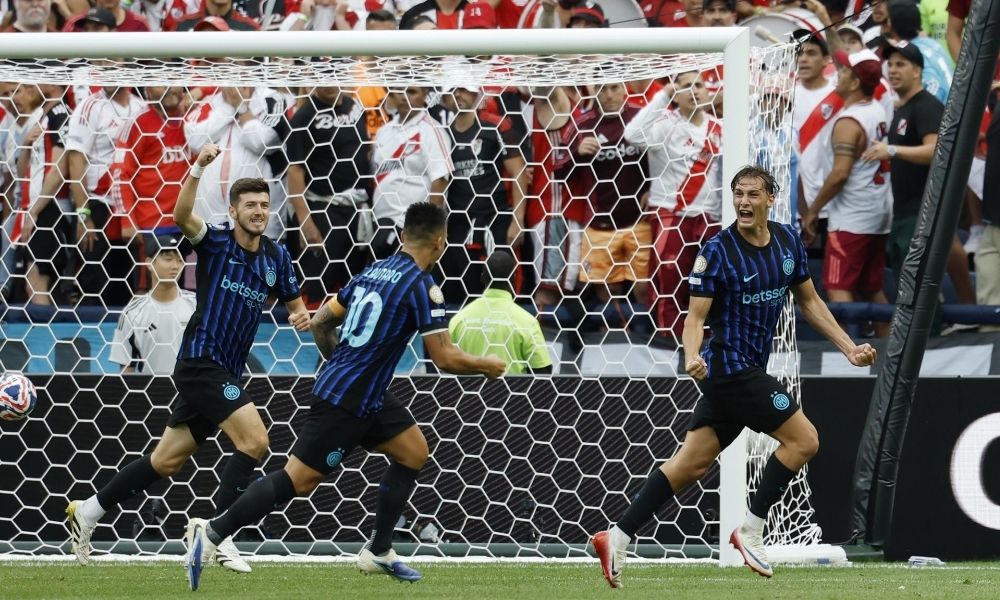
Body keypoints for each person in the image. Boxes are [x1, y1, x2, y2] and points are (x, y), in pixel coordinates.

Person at [182, 202, 506, 590]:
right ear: (440, 242)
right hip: (348, 400)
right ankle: (212, 532)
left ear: (403, 235)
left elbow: (321, 321)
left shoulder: (371, 272)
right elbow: (444, 357)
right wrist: (486, 365)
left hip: (361, 392)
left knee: (413, 451)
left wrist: (340, 363)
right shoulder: (422, 286)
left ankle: (379, 550)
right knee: (298, 480)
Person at [591, 166, 877, 586]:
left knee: (691, 464)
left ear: (770, 199)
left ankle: (616, 535)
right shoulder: (717, 251)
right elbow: (695, 318)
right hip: (728, 368)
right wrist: (691, 355)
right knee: (804, 440)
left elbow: (810, 301)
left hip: (747, 370)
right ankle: (751, 529)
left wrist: (849, 347)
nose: (743, 202)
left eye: (753, 194)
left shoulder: (787, 241)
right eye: (738, 194)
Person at [66, 144, 311, 574]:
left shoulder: (277, 257)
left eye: (263, 205)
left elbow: (296, 308)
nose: (258, 211)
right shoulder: (216, 242)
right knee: (255, 441)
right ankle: (218, 533)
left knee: (165, 461)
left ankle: (88, 511)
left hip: (225, 369)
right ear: (233, 211)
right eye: (250, 205)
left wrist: (302, 317)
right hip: (201, 362)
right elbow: (181, 216)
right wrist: (197, 167)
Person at [624, 71, 722, 342]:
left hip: (710, 219)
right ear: (675, 94)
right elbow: (632, 134)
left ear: (708, 92)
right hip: (671, 216)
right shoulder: (665, 123)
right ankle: (670, 345)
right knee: (670, 287)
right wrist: (663, 96)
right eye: (686, 86)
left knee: (710, 288)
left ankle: (708, 346)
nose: (694, 90)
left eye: (699, 85)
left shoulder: (721, 128)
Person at [803, 49, 892, 336]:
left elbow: (840, 174)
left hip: (852, 218)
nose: (837, 75)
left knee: (837, 288)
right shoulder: (876, 109)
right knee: (871, 288)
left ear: (854, 82)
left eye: (843, 71)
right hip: (877, 212)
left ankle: (849, 355)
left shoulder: (849, 122)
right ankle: (892, 351)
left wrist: (813, 210)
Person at [557, 81, 650, 308]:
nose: (608, 95)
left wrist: (654, 187)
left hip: (640, 220)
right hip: (600, 223)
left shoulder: (642, 117)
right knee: (607, 291)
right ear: (594, 92)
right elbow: (558, 171)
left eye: (614, 88)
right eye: (602, 89)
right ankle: (613, 329)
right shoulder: (582, 125)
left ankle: (648, 330)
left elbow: (667, 155)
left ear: (625, 89)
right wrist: (577, 154)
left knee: (644, 288)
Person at [441, 85, 527, 304]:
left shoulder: (496, 125)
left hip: (495, 220)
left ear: (475, 92)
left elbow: (518, 171)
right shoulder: (443, 134)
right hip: (459, 224)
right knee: (463, 289)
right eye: (453, 89)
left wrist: (517, 220)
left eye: (464, 89)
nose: (458, 94)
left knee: (500, 287)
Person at [287, 85, 372, 304]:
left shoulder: (354, 107)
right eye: (324, 76)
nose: (330, 83)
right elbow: (295, 171)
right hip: (323, 213)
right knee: (317, 289)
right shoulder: (303, 118)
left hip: (357, 211)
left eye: (334, 74)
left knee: (352, 288)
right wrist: (306, 222)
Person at [371, 86, 452, 258]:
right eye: (400, 91)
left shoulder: (431, 130)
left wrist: (429, 232)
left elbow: (439, 182)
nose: (404, 97)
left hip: (410, 230)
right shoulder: (383, 131)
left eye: (412, 92)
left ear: (425, 94)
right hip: (378, 224)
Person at [450, 251, 552, 375]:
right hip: (512, 388)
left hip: (468, 388)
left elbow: (446, 362)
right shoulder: (527, 322)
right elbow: (543, 372)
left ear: (482, 277)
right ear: (513, 278)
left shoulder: (459, 319)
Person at [110, 234, 197, 375]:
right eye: (168, 259)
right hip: (150, 388)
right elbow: (126, 368)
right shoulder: (132, 313)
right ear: (149, 263)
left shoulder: (197, 306)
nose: (175, 266)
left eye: (180, 260)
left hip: (190, 389)